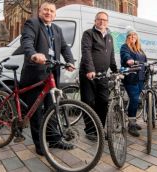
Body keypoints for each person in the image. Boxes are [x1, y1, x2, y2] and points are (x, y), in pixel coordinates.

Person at [20, 2, 75, 155]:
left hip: (52, 75)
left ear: (55, 15)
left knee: (52, 109)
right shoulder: (33, 23)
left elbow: (64, 47)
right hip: (36, 74)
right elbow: (27, 41)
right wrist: (33, 54)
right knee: (36, 112)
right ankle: (40, 145)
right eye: (46, 10)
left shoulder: (57, 29)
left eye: (51, 11)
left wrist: (70, 61)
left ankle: (54, 139)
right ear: (40, 11)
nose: (48, 13)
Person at [79, 11, 117, 140]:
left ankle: (100, 128)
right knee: (89, 102)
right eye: (99, 19)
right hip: (88, 74)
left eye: (104, 20)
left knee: (103, 101)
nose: (102, 22)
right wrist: (90, 69)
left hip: (102, 75)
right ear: (95, 21)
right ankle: (90, 130)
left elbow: (111, 56)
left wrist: (116, 70)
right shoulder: (88, 34)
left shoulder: (110, 37)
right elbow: (86, 52)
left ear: (107, 22)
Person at [120, 27, 147, 137]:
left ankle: (133, 120)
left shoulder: (140, 49)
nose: (132, 37)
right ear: (127, 37)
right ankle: (131, 124)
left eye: (134, 35)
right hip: (130, 77)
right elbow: (125, 55)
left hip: (140, 78)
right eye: (130, 35)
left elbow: (145, 60)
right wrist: (129, 60)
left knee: (136, 100)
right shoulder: (124, 47)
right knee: (134, 98)